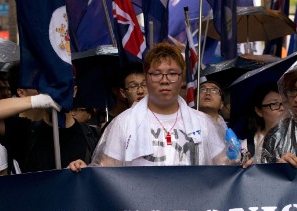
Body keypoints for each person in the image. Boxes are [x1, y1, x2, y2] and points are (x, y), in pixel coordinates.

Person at [68, 42, 230, 170]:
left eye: (172, 73)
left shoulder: (203, 123)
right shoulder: (124, 123)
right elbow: (104, 172)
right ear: (147, 78)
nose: (164, 80)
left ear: (182, 79)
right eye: (157, 73)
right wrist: (85, 171)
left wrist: (243, 167)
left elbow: (226, 169)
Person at [0, 86, 98, 172]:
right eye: (48, 87)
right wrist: (37, 100)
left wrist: (88, 171)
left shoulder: (92, 135)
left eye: (62, 86)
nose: (56, 93)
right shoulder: (26, 132)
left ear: (74, 90)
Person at [241, 82, 284, 163]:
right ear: (259, 111)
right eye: (274, 104)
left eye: (284, 103)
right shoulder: (247, 146)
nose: (282, 108)